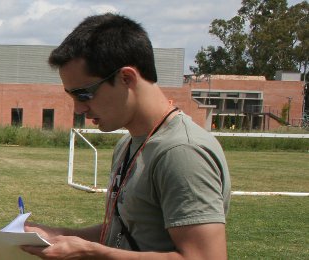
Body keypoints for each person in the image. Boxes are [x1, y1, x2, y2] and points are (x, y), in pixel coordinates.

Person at [21, 13, 231, 259]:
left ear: (126, 78)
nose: (78, 108)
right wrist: (59, 235)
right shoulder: (128, 144)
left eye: (84, 94)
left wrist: (90, 253)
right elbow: (128, 232)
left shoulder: (181, 152)